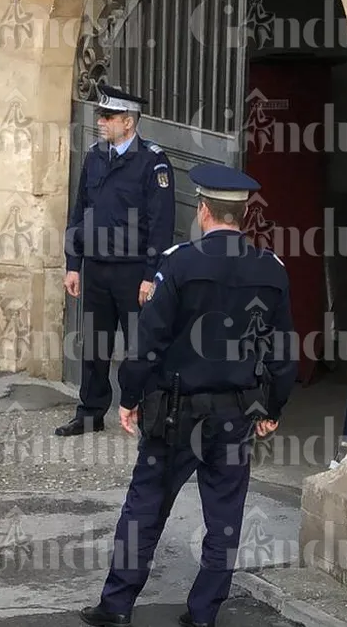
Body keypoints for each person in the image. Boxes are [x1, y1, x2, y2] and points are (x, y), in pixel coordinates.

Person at [79, 164, 298, 627]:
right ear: (243, 215)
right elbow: (282, 352)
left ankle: (116, 605)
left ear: (203, 211)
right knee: (224, 518)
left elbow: (149, 341)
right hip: (235, 414)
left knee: (145, 507)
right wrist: (272, 406)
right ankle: (203, 614)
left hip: (175, 415)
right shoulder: (271, 270)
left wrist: (128, 396)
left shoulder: (179, 262)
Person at [60, 83, 176, 437]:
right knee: (95, 344)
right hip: (96, 267)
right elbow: (80, 211)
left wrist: (150, 275)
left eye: (108, 116)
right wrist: (73, 263)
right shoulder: (96, 156)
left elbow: (161, 225)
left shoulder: (152, 162)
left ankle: (145, 412)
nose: (100, 121)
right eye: (100, 115)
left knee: (141, 345)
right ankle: (90, 412)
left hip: (132, 271)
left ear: (128, 121)